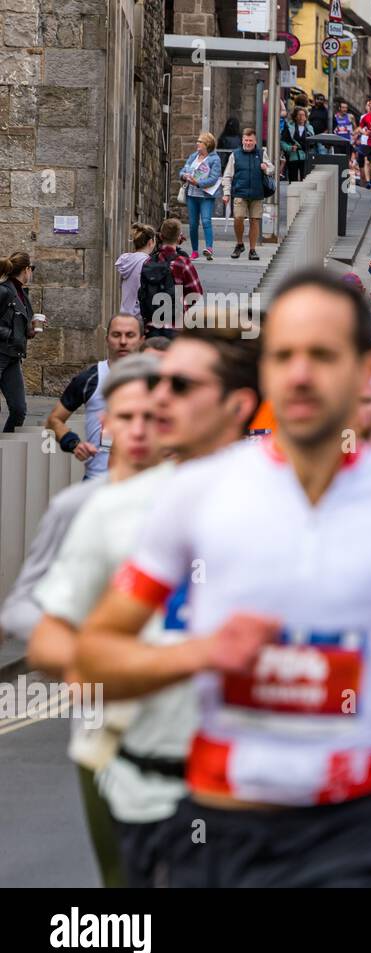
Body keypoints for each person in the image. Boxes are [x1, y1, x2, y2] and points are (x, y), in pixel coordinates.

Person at [76, 269, 371, 888]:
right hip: (219, 825)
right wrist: (200, 653)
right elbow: (95, 655)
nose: (301, 374)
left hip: (350, 826)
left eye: (323, 355)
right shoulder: (201, 491)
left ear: (364, 369)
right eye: (284, 356)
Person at [24, 353, 168, 888]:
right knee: (125, 887)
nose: (139, 430)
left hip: (199, 747)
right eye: (126, 416)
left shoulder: (218, 502)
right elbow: (46, 632)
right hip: (110, 739)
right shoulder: (90, 512)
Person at [44, 315, 145, 480]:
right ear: (107, 339)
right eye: (116, 335)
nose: (123, 341)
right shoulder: (90, 378)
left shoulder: (156, 379)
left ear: (141, 340)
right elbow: (54, 420)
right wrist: (74, 444)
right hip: (97, 480)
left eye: (130, 335)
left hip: (142, 483)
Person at [220, 128, 272, 261]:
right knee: (238, 218)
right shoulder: (235, 155)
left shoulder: (261, 153)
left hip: (257, 193)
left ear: (255, 141)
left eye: (251, 140)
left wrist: (266, 168)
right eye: (246, 140)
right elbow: (227, 176)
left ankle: (252, 250)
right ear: (242, 140)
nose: (248, 143)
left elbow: (272, 168)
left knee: (255, 221)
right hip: (240, 193)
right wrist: (226, 193)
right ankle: (239, 244)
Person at [0, 251, 36, 432]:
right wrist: (12, 335)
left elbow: (19, 323)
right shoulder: (3, 291)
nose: (31, 273)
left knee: (19, 410)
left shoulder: (22, 293)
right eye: (32, 269)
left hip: (13, 357)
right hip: (1, 354)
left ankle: (6, 449)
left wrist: (30, 329)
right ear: (26, 269)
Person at [178, 133, 222, 260]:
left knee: (206, 221)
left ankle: (209, 248)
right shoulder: (193, 156)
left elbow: (214, 178)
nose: (197, 143)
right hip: (191, 195)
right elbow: (182, 171)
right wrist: (184, 176)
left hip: (205, 196)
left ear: (207, 144)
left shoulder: (215, 159)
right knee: (192, 224)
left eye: (200, 141)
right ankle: (195, 251)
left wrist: (198, 183)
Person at [116, 224, 156, 318]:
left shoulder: (127, 260)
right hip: (139, 317)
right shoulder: (148, 263)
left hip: (124, 314)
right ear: (150, 242)